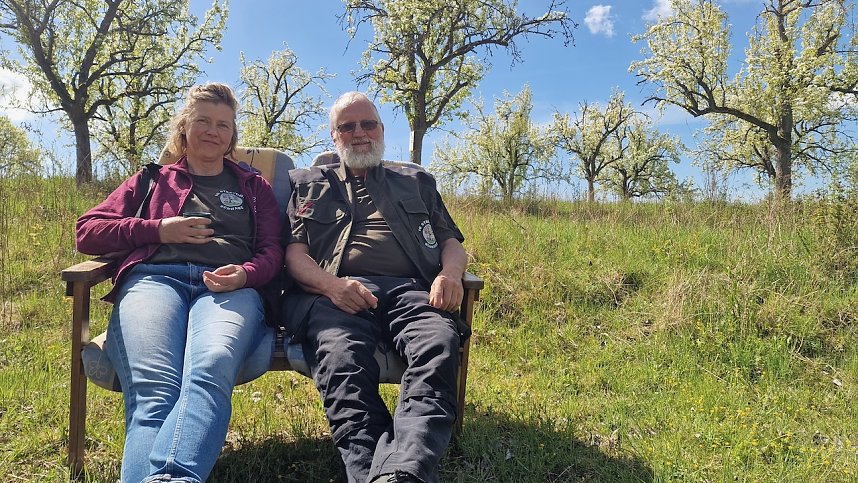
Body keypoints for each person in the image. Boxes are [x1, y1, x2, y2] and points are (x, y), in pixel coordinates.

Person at [75, 82, 283, 483]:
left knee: (212, 365)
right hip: (155, 281)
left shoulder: (254, 186)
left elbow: (273, 251)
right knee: (155, 388)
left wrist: (246, 273)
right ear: (184, 126)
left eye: (223, 125)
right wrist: (158, 229)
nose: (212, 131)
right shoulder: (153, 179)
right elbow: (88, 231)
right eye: (203, 121)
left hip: (230, 289)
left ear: (232, 135)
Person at [282, 91, 469, 483]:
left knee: (438, 345)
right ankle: (393, 473)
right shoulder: (308, 184)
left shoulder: (416, 182)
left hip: (412, 290)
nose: (359, 133)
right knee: (341, 359)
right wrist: (332, 286)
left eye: (367, 124)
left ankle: (401, 471)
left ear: (382, 130)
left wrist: (450, 275)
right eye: (347, 126)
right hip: (338, 293)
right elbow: (295, 256)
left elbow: (450, 242)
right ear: (334, 136)